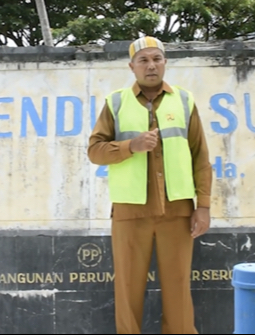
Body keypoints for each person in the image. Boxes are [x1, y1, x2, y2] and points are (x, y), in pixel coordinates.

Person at [88, 36, 213, 334]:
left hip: (178, 210)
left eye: (156, 58)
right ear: (132, 67)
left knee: (178, 288)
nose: (151, 65)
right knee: (128, 288)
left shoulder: (184, 100)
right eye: (143, 60)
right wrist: (132, 145)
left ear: (165, 62)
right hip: (130, 211)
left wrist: (203, 207)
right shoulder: (116, 102)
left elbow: (201, 158)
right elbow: (95, 151)